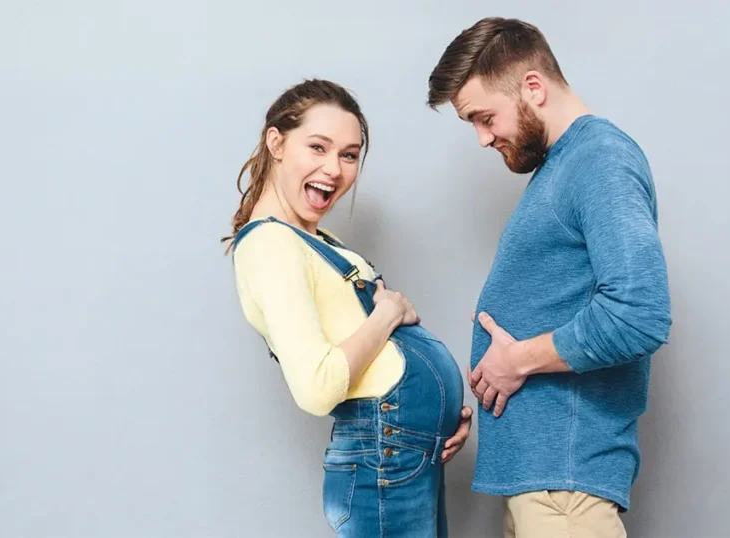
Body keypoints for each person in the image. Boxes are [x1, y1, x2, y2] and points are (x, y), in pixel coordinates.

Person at [426, 17, 673, 538]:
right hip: (545, 486)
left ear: (533, 87)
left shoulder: (599, 160)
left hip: (565, 490)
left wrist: (516, 359)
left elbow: (639, 314)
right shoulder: (562, 166)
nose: (482, 138)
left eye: (485, 117)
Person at [222, 78, 470, 537]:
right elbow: (317, 388)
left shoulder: (318, 241)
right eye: (317, 147)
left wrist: (437, 419)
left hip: (403, 454)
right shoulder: (270, 244)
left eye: (349, 155)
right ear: (276, 143)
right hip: (382, 458)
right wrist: (387, 315)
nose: (333, 169)